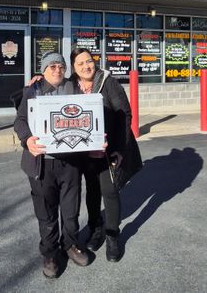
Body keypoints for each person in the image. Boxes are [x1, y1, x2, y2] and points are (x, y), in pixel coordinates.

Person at [13, 52, 90, 278]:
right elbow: (20, 121)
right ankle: (49, 253)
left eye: (61, 66)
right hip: (42, 163)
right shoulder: (32, 90)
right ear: (44, 69)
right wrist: (27, 139)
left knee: (70, 210)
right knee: (46, 213)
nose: (57, 70)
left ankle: (71, 245)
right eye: (52, 66)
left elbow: (89, 114)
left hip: (70, 162)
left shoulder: (74, 88)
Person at [69, 47, 142, 262]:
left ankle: (112, 236)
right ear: (74, 67)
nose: (86, 66)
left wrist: (120, 148)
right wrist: (36, 81)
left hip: (107, 149)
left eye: (89, 61)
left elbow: (124, 115)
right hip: (82, 150)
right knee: (91, 191)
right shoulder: (70, 85)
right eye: (80, 63)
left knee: (109, 191)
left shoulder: (107, 82)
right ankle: (96, 228)